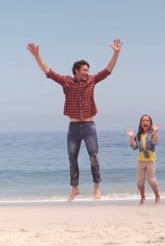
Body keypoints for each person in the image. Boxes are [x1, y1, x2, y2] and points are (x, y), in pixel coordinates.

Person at [27, 39, 122, 202]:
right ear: (76, 71)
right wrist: (37, 56)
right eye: (85, 69)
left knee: (93, 155)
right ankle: (75, 189)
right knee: (72, 157)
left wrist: (116, 53)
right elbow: (48, 72)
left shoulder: (92, 80)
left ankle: (97, 188)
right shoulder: (66, 82)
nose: (87, 72)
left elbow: (108, 70)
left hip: (89, 126)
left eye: (88, 70)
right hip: (73, 126)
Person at [127, 115, 161, 205]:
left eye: (147, 121)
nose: (145, 122)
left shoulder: (151, 133)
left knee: (151, 180)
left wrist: (154, 132)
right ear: (141, 123)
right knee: (139, 182)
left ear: (150, 123)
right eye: (143, 121)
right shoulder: (139, 135)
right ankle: (143, 198)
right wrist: (131, 137)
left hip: (150, 160)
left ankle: (157, 196)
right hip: (141, 161)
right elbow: (134, 147)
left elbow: (155, 142)